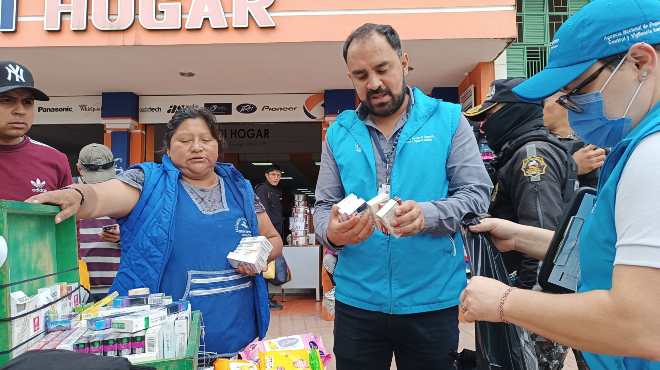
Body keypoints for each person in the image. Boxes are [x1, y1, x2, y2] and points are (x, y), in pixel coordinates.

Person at [459, 1, 660, 368]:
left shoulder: (652, 157)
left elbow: (643, 325)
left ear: (640, 63)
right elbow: (619, 253)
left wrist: (505, 302)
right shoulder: (637, 148)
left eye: (576, 90)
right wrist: (521, 237)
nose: (570, 107)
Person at [28, 107, 283, 358]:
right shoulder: (147, 182)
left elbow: (273, 239)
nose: (196, 147)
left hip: (239, 339)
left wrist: (259, 257)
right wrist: (77, 195)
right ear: (169, 148)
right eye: (184, 140)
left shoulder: (240, 189)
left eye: (206, 139)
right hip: (167, 344)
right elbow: (102, 195)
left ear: (218, 145)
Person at [314, 23, 492, 370]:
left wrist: (427, 215)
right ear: (350, 77)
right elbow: (323, 206)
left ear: (404, 62)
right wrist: (332, 232)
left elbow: (476, 194)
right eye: (361, 75)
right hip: (357, 302)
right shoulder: (339, 132)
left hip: (432, 301)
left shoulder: (448, 119)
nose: (374, 83)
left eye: (383, 69)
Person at [465, 78, 580, 369]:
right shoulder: (517, 153)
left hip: (533, 297)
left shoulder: (532, 157)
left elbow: (542, 231)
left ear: (513, 112)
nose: (483, 126)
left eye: (489, 116)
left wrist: (527, 304)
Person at [0, 61, 72, 201]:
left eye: (27, 102)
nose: (20, 111)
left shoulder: (55, 159)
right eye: (6, 100)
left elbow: (68, 221)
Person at [75, 143, 122, 298]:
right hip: (79, 287)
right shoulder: (69, 193)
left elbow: (143, 239)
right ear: (79, 168)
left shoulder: (122, 193)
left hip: (116, 286)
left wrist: (123, 236)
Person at [544, 91, 606, 188]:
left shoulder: (596, 140)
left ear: (565, 103)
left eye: (544, 102)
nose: (538, 108)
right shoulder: (537, 144)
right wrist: (573, 166)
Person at [255, 165, 284, 237]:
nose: (276, 178)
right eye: (273, 174)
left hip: (276, 229)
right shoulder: (262, 189)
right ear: (266, 175)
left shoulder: (276, 190)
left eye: (278, 175)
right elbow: (262, 212)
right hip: (268, 231)